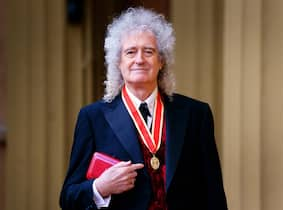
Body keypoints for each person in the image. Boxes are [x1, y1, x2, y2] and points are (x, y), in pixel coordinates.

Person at [59, 7, 228, 210]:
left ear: (161, 61)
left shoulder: (195, 115)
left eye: (149, 51)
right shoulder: (93, 117)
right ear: (118, 62)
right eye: (130, 52)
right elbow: (68, 198)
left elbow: (214, 195)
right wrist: (100, 187)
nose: (139, 59)